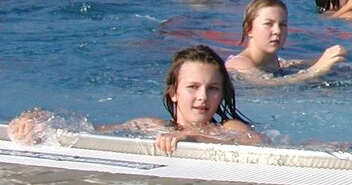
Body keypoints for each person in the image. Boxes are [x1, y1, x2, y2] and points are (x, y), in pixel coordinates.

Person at [9, 45, 260, 155]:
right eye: (193, 87)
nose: (203, 97)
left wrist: (194, 137)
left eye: (213, 88)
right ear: (174, 92)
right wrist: (36, 119)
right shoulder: (153, 126)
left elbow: (255, 143)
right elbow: (89, 131)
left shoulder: (228, 127)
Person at [225, 0, 349, 84]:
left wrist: (333, 59)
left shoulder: (277, 62)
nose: (277, 31)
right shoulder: (238, 65)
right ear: (249, 29)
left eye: (283, 24)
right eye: (268, 24)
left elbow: (301, 63)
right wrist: (316, 70)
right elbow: (266, 84)